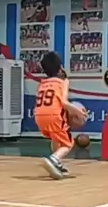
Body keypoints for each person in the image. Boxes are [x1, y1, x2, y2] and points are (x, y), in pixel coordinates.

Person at [34, 51, 80, 180]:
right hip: (53, 115)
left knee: (55, 137)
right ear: (60, 67)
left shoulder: (42, 83)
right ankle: (53, 159)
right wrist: (78, 112)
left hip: (38, 115)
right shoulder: (62, 82)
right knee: (68, 143)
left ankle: (56, 164)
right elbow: (63, 102)